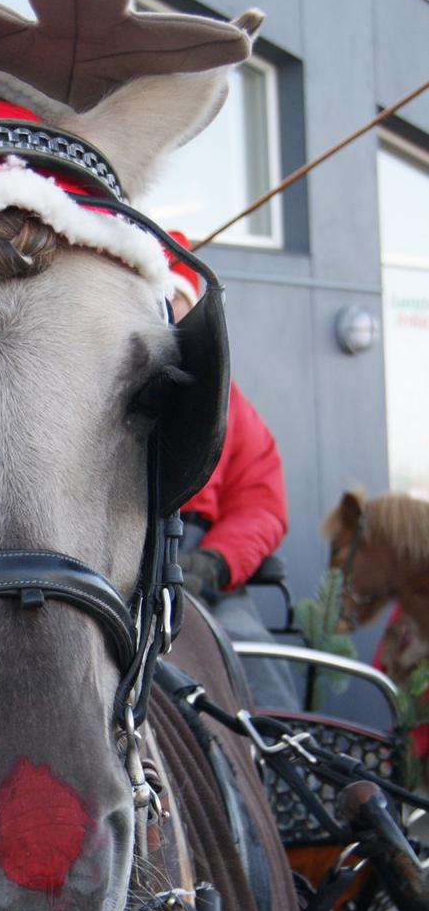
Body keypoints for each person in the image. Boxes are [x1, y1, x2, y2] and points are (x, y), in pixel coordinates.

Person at [168, 233, 299, 710]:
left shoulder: (230, 406)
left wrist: (217, 562)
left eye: (176, 303)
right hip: (125, 564)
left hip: (207, 571)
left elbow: (261, 505)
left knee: (252, 655)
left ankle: (276, 768)